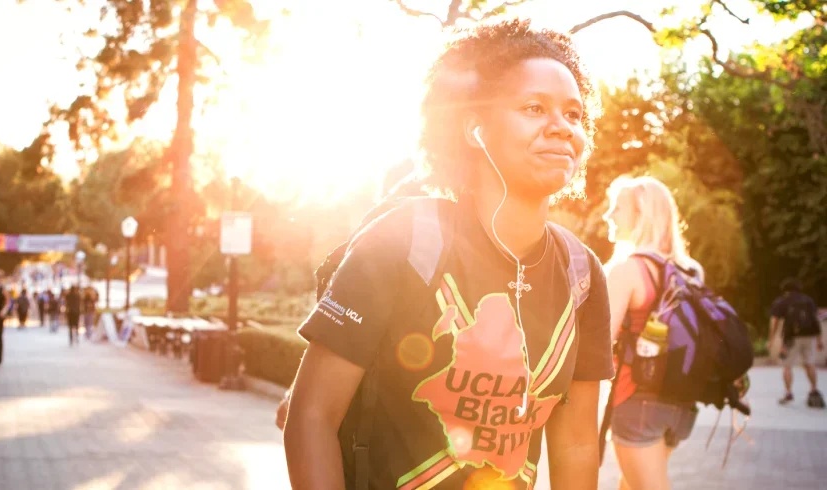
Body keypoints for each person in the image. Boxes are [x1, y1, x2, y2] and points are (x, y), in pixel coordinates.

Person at [284, 19, 612, 490]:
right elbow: (311, 417)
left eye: (574, 115)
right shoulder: (403, 241)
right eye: (534, 108)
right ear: (475, 129)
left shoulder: (581, 274)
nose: (562, 127)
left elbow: (577, 444)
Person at [602, 175, 704, 490]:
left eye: (617, 208)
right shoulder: (691, 271)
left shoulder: (627, 271)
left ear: (640, 215)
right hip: (681, 405)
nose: (608, 215)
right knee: (630, 484)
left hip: (637, 403)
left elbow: (599, 346)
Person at [769, 277, 824, 406]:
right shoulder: (808, 300)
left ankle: (788, 393)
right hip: (810, 336)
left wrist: (771, 339)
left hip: (791, 338)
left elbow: (775, 321)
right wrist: (819, 340)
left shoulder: (782, 301)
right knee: (809, 364)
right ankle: (814, 390)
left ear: (784, 289)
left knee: (787, 366)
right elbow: (816, 320)